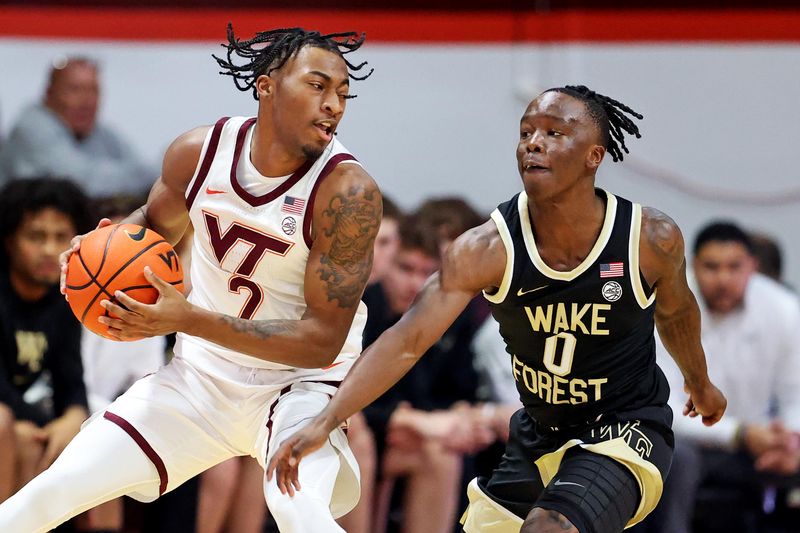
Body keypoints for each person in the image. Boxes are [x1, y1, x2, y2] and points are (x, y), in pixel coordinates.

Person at [267, 85, 728, 533]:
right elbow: (406, 341)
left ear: (594, 156)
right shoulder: (485, 249)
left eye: (554, 133)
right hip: (537, 433)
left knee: (550, 528)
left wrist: (700, 383)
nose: (534, 143)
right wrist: (325, 419)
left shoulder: (647, 238)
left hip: (625, 429)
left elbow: (676, 313)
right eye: (527, 132)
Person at [0, 25, 380, 533]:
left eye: (342, 93)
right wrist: (95, 248)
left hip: (300, 391)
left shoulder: (348, 193)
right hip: (199, 380)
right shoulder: (199, 153)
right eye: (317, 86)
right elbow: (153, 226)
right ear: (266, 85)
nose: (334, 103)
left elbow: (320, 342)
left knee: (299, 512)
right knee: (54, 488)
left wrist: (189, 319)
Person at [642, 221, 800, 533]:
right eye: (712, 267)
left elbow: (794, 394)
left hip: (757, 442)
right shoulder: (663, 305)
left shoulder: (783, 309)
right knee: (678, 459)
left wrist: (790, 441)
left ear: (752, 266)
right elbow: (664, 407)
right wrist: (740, 434)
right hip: (684, 442)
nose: (723, 279)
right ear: (691, 266)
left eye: (734, 267)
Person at [0, 177, 92, 499]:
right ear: (9, 240)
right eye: (36, 237)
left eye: (60, 237)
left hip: (19, 418)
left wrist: (74, 417)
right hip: (7, 417)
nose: (50, 250)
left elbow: (72, 381)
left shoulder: (64, 299)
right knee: (9, 429)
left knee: (96, 438)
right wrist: (45, 425)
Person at [0, 56, 154, 197]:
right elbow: (81, 183)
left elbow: (143, 170)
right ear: (49, 93)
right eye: (75, 89)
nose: (87, 101)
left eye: (93, 90)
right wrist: (162, 174)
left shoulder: (102, 133)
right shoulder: (32, 127)